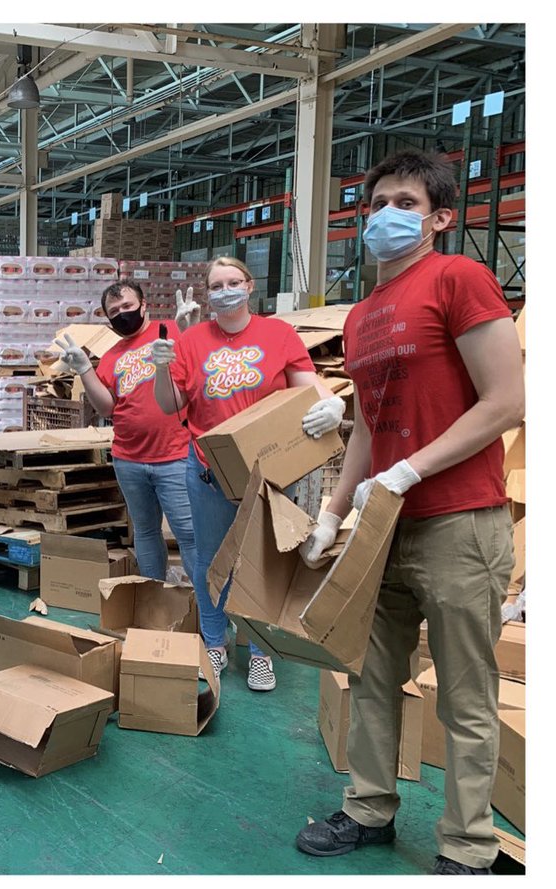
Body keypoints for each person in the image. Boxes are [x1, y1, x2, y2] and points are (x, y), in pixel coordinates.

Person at [294, 149, 523, 875]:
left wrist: (410, 469)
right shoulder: (362, 316)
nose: (387, 215)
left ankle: (468, 845)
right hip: (381, 527)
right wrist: (332, 513)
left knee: (464, 693)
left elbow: (506, 401)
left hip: (458, 518)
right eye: (378, 203)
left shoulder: (459, 279)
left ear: (441, 218)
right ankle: (368, 807)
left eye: (406, 203)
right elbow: (368, 425)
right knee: (369, 674)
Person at [150, 256, 345, 692]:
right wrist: (161, 367)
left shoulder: (278, 334)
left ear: (250, 285)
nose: (225, 291)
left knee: (265, 561)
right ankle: (214, 643)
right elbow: (168, 404)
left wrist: (331, 402)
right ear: (207, 294)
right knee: (210, 559)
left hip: (269, 471)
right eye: (216, 285)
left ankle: (261, 652)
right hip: (209, 470)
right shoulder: (192, 341)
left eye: (233, 282)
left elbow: (306, 382)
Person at [56, 278, 197, 587]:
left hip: (175, 455)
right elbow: (106, 408)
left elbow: (199, 367)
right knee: (145, 532)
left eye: (128, 306)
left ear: (143, 305)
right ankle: (152, 597)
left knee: (188, 533)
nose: (122, 313)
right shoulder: (111, 356)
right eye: (114, 311)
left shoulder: (171, 332)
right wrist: (85, 369)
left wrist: (191, 331)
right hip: (129, 459)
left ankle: (203, 603)